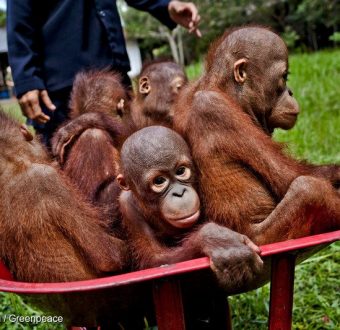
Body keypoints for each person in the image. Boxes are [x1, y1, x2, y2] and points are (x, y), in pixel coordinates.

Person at [7, 0, 201, 146]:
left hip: (113, 73)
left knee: (131, 150)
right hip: (62, 84)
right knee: (69, 165)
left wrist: (166, 5)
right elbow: (19, 18)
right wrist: (26, 78)